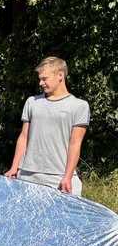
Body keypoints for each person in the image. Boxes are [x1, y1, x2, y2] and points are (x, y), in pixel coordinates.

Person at [5, 56, 90, 195]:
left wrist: (68, 176)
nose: (41, 83)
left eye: (45, 79)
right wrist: (15, 167)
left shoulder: (79, 106)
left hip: (58, 177)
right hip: (27, 174)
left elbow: (75, 144)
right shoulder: (32, 102)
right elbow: (24, 137)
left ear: (60, 75)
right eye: (40, 79)